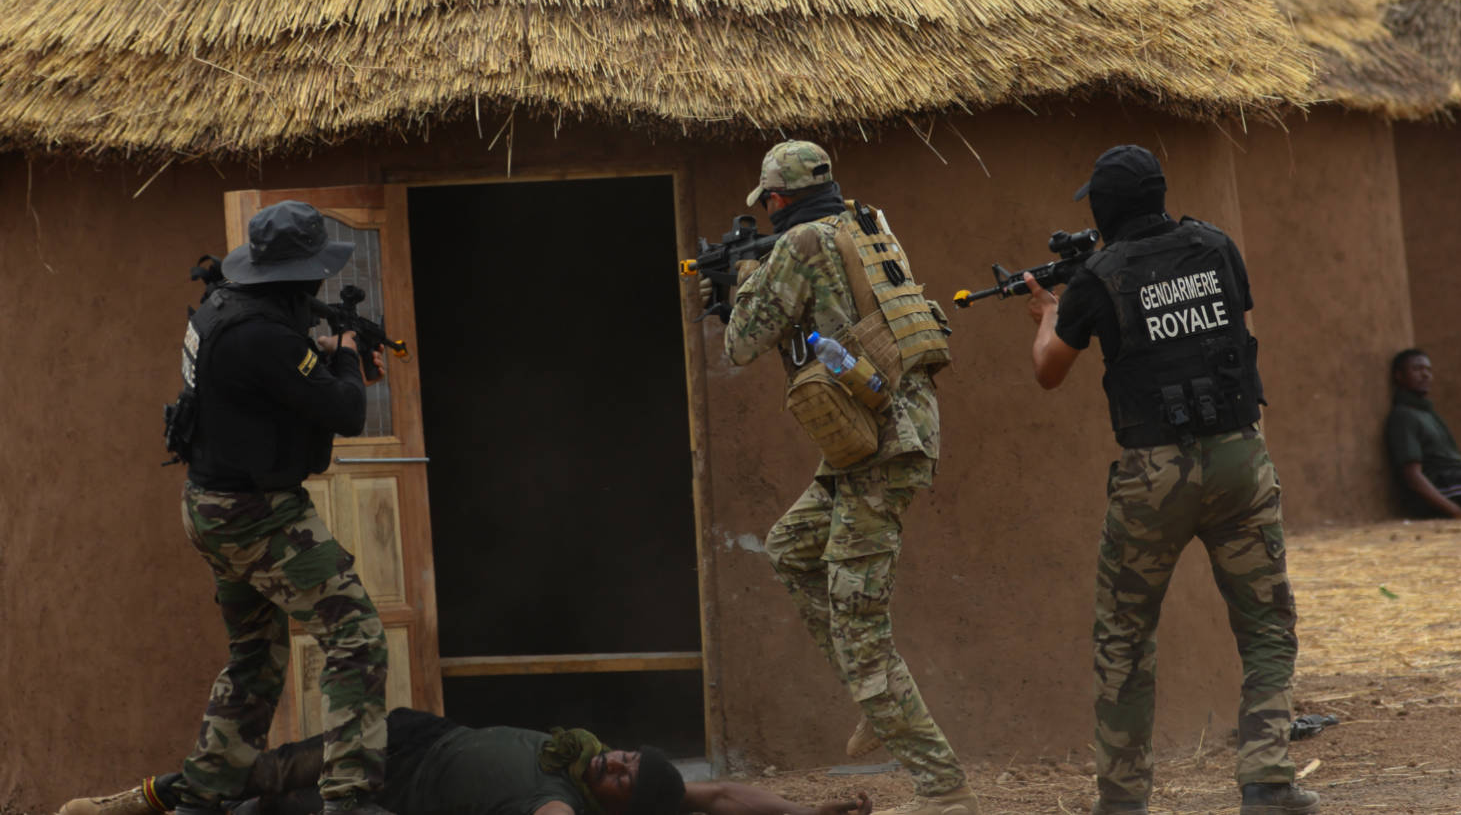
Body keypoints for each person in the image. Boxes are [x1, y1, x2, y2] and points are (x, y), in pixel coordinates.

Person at [1021, 145, 1318, 815]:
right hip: (1240, 458)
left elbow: (1048, 371)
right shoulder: (1216, 246)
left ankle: (1123, 800)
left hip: (1154, 475)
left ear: (1103, 209)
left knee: (1124, 640)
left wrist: (1049, 316)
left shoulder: (1098, 276)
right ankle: (1268, 780)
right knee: (1267, 626)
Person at [717, 141, 975, 815]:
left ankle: (943, 790)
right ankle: (875, 697)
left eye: (770, 203)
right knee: (790, 547)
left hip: (879, 447)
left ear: (778, 198)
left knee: (862, 629)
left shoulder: (799, 243)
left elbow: (739, 344)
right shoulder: (866, 223)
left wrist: (743, 280)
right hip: (882, 439)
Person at [172, 201, 391, 815]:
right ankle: (350, 797)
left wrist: (324, 347)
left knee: (256, 656)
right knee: (356, 637)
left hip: (211, 506)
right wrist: (344, 354)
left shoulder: (223, 307)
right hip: (257, 517)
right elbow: (347, 412)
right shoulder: (264, 336)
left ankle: (202, 797)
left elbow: (260, 379)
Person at [56, 708, 873, 815]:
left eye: (623, 776)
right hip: (412, 735)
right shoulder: (581, 756)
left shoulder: (561, 807)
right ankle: (145, 797)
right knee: (263, 769)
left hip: (397, 791)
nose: (616, 763)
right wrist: (813, 812)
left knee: (276, 809)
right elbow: (721, 792)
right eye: (627, 755)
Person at [1386, 349, 1461, 519]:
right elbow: (1412, 475)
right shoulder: (1403, 416)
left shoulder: (1427, 413)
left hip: (1459, 483)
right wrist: (1456, 511)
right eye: (1417, 369)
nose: (1425, 374)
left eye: (1428, 370)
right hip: (1443, 487)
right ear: (1399, 376)